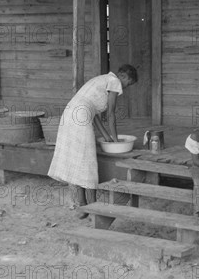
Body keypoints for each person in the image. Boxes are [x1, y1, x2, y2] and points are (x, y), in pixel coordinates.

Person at [48, 64, 138, 218]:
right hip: (80, 115)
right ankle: (92, 207)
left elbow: (95, 114)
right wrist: (116, 141)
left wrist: (107, 137)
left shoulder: (103, 79)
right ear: (123, 76)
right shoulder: (114, 81)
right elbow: (110, 114)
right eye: (128, 83)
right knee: (88, 161)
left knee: (77, 161)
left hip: (70, 113)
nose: (126, 87)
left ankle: (83, 207)